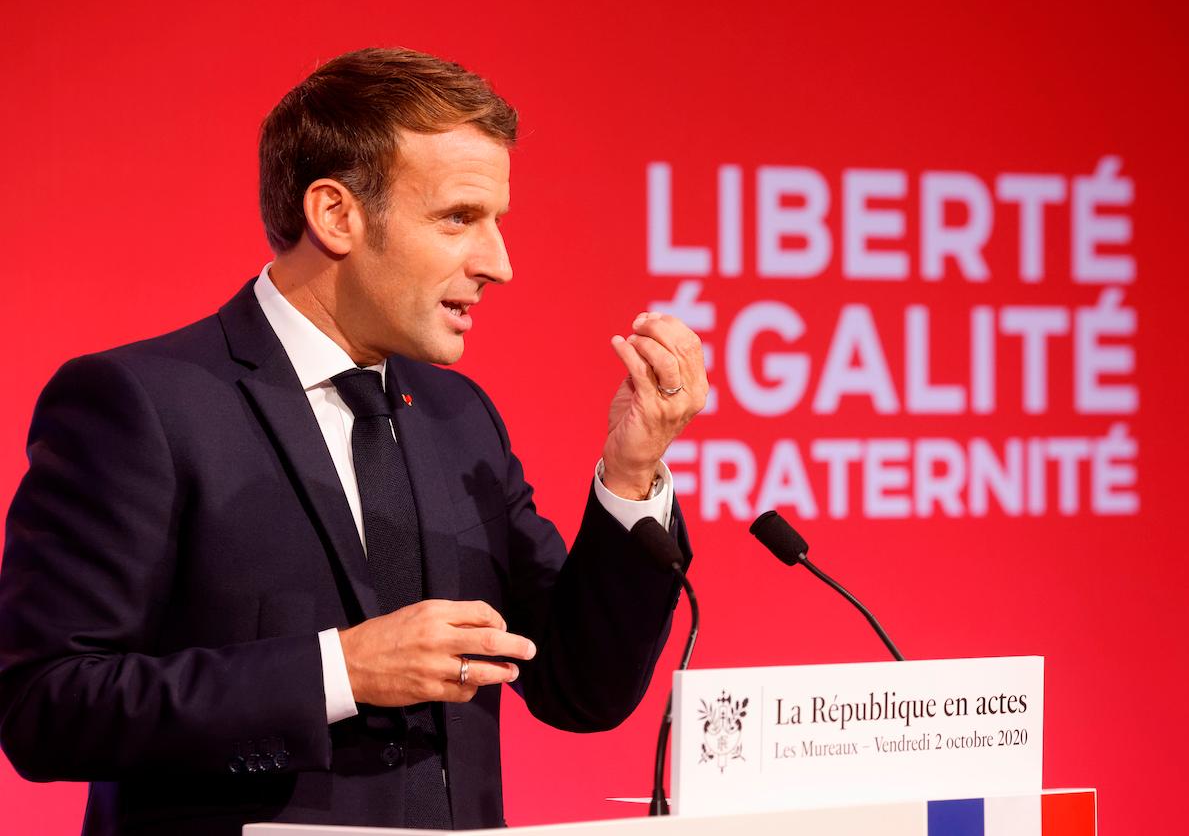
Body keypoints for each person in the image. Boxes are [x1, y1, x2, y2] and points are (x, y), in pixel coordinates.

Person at [0, 47, 708, 834]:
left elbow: (582, 689)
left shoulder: (460, 417)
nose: (499, 263)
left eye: (497, 221)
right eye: (458, 218)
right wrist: (338, 671)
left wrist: (633, 472)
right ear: (336, 215)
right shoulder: (141, 404)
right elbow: (46, 707)